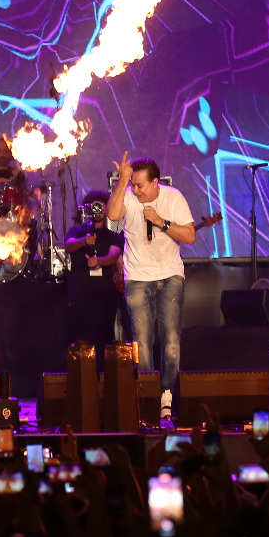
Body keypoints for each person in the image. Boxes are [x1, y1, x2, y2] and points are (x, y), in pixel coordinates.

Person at [107, 153, 195, 425]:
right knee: (142, 341)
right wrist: (123, 180)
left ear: (156, 182)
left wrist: (160, 221)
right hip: (137, 277)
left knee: (171, 338)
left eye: (140, 185)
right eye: (133, 184)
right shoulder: (128, 195)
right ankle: (148, 397)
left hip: (170, 275)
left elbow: (190, 236)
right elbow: (113, 214)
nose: (136, 190)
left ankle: (166, 396)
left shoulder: (173, 197)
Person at [64, 190, 124, 353]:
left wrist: (98, 261)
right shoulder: (76, 231)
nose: (98, 210)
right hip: (80, 294)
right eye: (95, 206)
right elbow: (69, 246)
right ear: (88, 208)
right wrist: (84, 241)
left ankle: (103, 368)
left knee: (105, 338)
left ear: (107, 208)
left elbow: (113, 256)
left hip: (105, 295)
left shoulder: (114, 236)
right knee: (81, 338)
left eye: (101, 206)